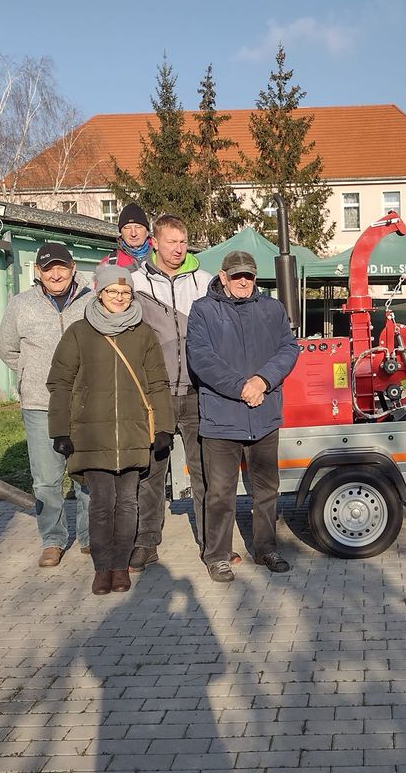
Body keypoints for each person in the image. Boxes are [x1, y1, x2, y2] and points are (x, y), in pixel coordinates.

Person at [46, 265, 175, 595]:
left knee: (128, 504)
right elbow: (60, 384)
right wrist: (60, 430)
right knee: (101, 503)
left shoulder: (143, 333)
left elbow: (159, 383)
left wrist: (163, 428)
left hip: (133, 433)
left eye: (125, 293)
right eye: (113, 292)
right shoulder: (79, 332)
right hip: (92, 435)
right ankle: (102, 567)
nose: (119, 298)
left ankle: (121, 565)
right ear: (99, 292)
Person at [186, 250, 300, 583]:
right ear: (222, 277)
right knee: (220, 492)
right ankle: (217, 556)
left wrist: (263, 380)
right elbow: (201, 358)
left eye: (248, 276)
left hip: (263, 416)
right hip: (222, 417)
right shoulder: (203, 311)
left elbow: (288, 349)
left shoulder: (272, 309)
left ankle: (266, 548)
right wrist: (241, 387)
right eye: (236, 276)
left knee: (266, 490)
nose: (243, 282)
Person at [0, 242, 92, 568]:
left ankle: (90, 535)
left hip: (85, 404)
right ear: (38, 272)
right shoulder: (20, 305)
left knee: (87, 474)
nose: (56, 273)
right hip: (40, 404)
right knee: (47, 480)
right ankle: (53, 539)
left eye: (61, 267)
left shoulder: (91, 302)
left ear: (73, 269)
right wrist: (29, 375)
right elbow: (8, 350)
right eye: (48, 268)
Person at [131, 215, 211, 572]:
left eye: (183, 241)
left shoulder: (205, 282)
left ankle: (212, 544)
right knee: (150, 474)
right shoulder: (134, 283)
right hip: (156, 394)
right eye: (171, 241)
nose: (178, 248)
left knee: (203, 472)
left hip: (196, 392)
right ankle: (146, 543)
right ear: (155, 243)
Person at [99, 203, 154, 272]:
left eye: (138, 227)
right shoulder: (109, 264)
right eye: (127, 228)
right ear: (121, 232)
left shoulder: (162, 256)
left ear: (147, 230)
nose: (133, 233)